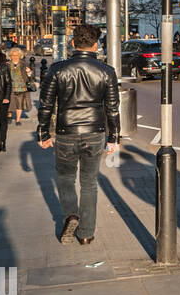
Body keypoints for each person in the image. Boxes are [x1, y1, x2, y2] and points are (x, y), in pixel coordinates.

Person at [37, 24, 120, 245]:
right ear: (96, 45)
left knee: (65, 178)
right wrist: (114, 138)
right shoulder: (106, 71)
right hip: (94, 132)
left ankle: (71, 214)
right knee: (89, 182)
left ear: (73, 43)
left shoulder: (57, 69)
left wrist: (43, 132)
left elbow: (45, 104)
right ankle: (85, 233)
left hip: (66, 132)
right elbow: (112, 108)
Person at [7, 47, 35, 125]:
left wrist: (29, 72)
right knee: (10, 103)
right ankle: (9, 115)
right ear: (10, 56)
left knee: (19, 103)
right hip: (10, 87)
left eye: (17, 55)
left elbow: (31, 76)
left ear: (20, 55)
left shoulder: (24, 64)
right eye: (13, 55)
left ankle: (18, 120)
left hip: (22, 87)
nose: (15, 57)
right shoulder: (7, 64)